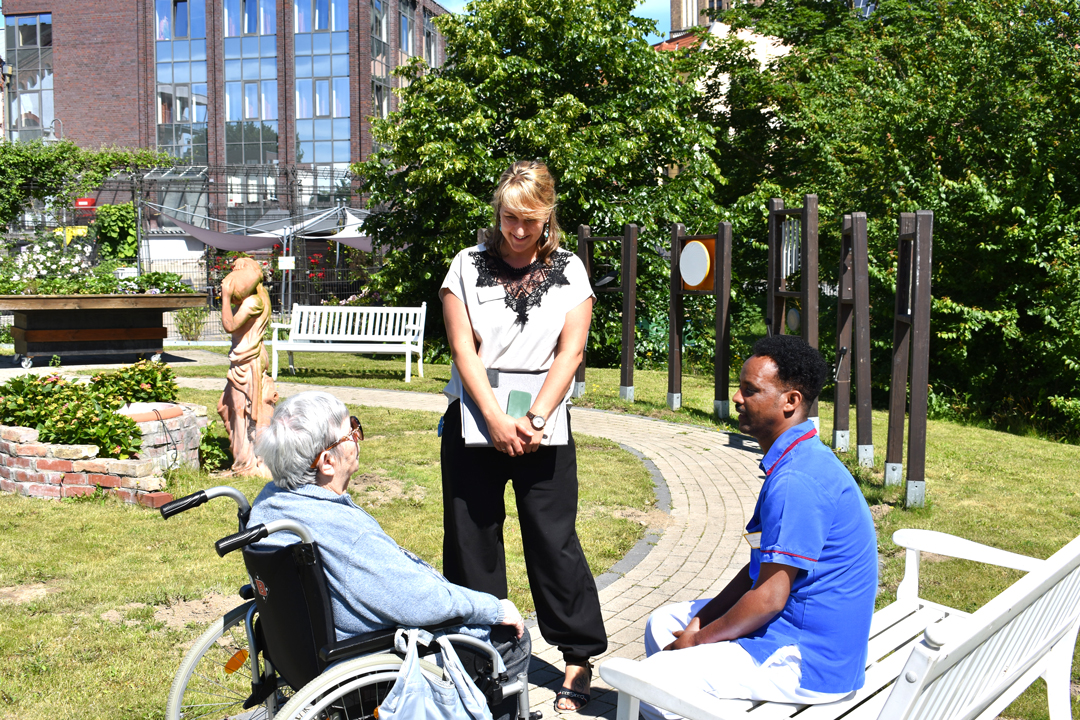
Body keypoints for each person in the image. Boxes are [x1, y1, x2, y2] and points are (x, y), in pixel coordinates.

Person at [634, 336, 878, 720]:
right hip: (801, 635)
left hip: (807, 660)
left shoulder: (797, 480)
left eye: (750, 390)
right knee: (663, 623)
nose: (736, 397)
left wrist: (696, 641)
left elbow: (768, 598)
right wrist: (699, 623)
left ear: (790, 401)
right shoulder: (802, 457)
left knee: (649, 680)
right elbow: (756, 574)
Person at [248, 391, 530, 719]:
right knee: (510, 640)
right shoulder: (345, 533)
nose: (358, 438)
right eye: (352, 431)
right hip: (362, 662)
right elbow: (421, 601)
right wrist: (493, 609)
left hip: (303, 656)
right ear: (326, 462)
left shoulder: (268, 503)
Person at [439, 160, 606, 712]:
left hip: (544, 425)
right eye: (510, 218)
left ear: (547, 217)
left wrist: (533, 420)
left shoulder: (570, 271)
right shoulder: (465, 266)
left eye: (529, 221)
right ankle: (479, 655)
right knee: (472, 544)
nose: (517, 231)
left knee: (553, 543)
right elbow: (463, 349)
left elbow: (572, 351)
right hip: (474, 420)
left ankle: (578, 657)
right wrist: (491, 416)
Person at [217, 256, 277, 477]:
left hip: (247, 362)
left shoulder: (253, 302)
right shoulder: (252, 301)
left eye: (237, 271)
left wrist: (224, 296)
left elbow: (229, 325)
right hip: (242, 360)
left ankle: (247, 464)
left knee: (242, 412)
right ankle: (244, 458)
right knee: (226, 407)